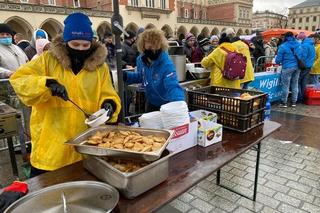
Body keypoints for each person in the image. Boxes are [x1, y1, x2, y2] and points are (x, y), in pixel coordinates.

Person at [10, 13, 121, 177]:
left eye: (85, 45)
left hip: (85, 145)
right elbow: (19, 79)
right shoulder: (48, 60)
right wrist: (47, 84)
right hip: (51, 148)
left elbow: (108, 92)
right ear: (66, 42)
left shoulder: (100, 67)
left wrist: (109, 104)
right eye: (75, 44)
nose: (81, 49)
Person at [124, 29, 185, 112]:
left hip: (166, 104)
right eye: (149, 47)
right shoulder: (141, 60)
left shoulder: (166, 63)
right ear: (143, 46)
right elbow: (142, 76)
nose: (152, 50)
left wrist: (179, 103)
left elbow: (172, 85)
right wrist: (127, 76)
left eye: (155, 47)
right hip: (150, 102)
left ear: (161, 46)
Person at [275, 32, 303, 107]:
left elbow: (278, 60)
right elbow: (301, 55)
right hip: (297, 67)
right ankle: (294, 102)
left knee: (285, 85)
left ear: (286, 37)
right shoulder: (299, 44)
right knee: (295, 84)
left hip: (287, 67)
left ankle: (284, 102)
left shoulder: (283, 46)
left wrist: (278, 62)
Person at [298, 35, 316, 102]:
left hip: (304, 66)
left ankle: (299, 97)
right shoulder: (312, 45)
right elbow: (314, 56)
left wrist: (300, 63)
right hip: (309, 66)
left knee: (298, 81)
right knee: (304, 82)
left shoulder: (304, 45)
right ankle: (302, 97)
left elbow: (303, 57)